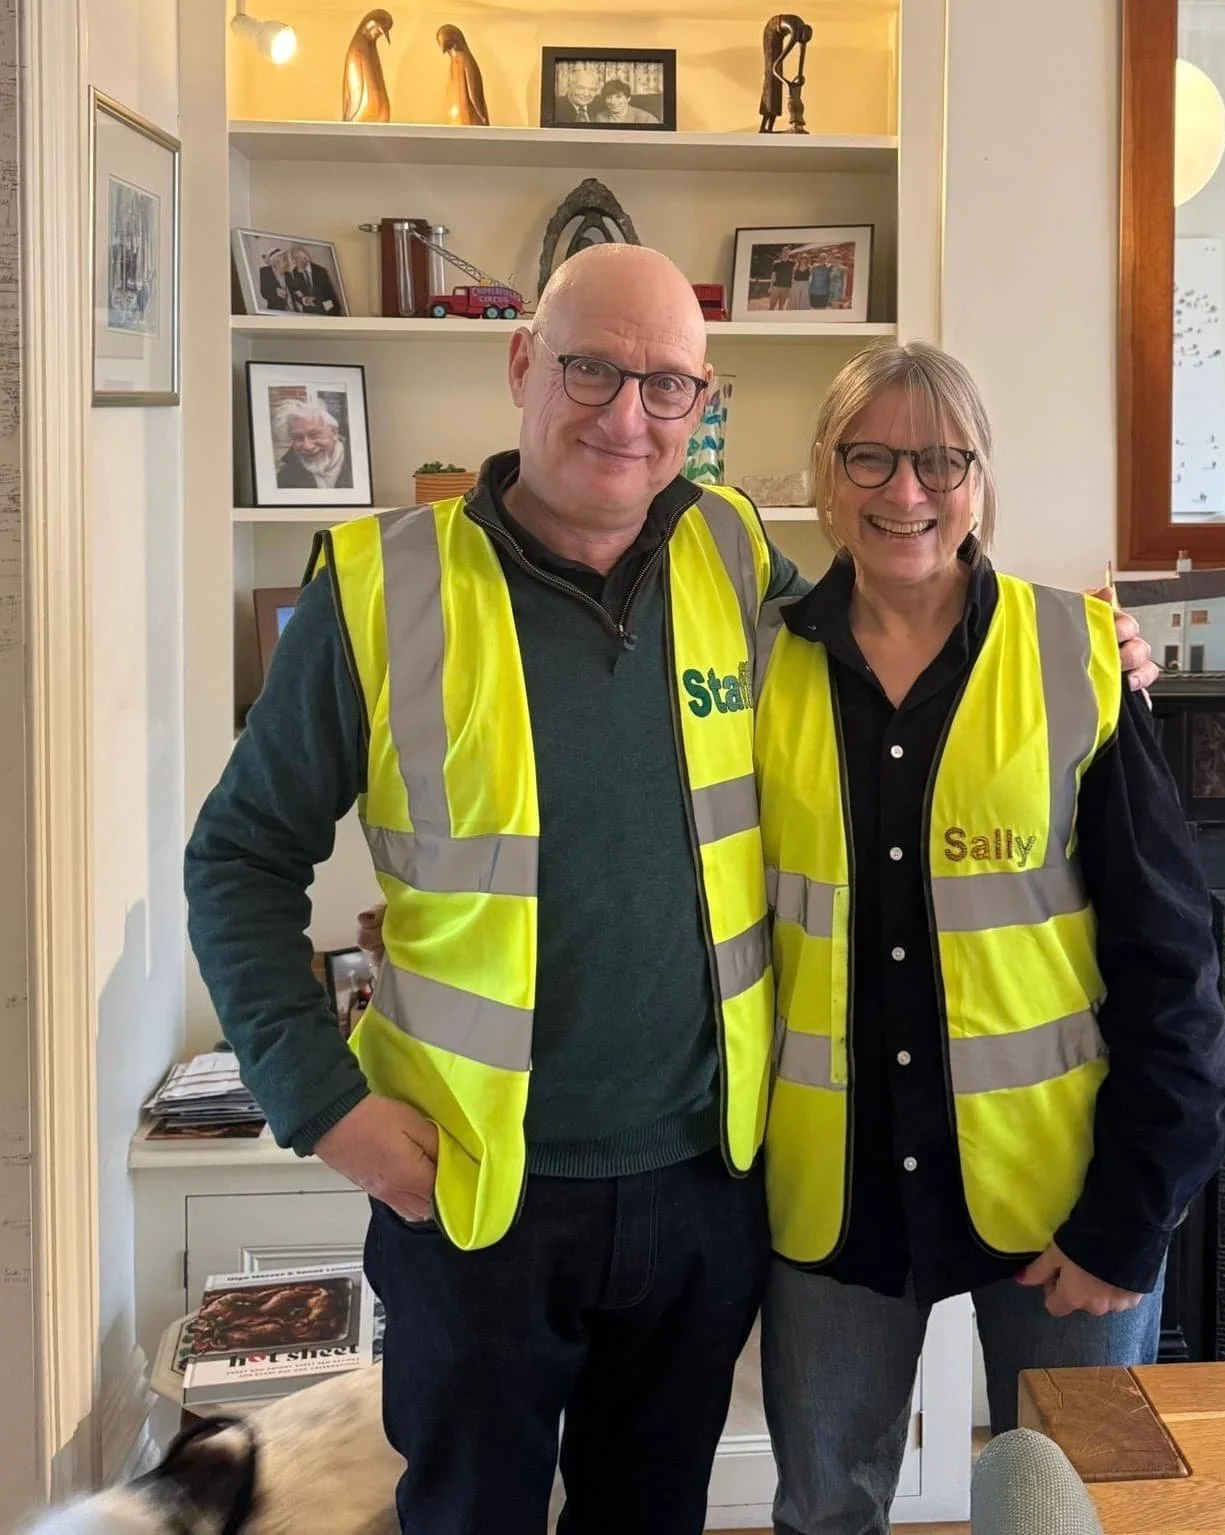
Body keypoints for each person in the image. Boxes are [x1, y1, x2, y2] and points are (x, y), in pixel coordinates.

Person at [186, 244, 1158, 1535]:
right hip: (480, 1198)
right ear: (522, 364)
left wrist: (1083, 641)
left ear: (702, 414)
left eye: (665, 386)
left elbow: (903, 607)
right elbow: (236, 859)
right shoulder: (379, 592)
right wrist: (323, 1102)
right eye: (590, 368)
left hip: (701, 1192)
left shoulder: (729, 554)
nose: (623, 413)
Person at [750, 342, 1225, 1535]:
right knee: (822, 1513)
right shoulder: (755, 662)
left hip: (1065, 1196)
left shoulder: (1077, 654)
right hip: (831, 1199)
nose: (905, 492)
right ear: (825, 468)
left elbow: (1169, 963)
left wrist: (1130, 1219)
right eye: (871, 454)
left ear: (980, 477)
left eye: (940, 459)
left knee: (1082, 1510)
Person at [272, 398, 353, 490]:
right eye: (298, 438)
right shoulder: (286, 476)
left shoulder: (360, 463)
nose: (307, 446)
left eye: (314, 435)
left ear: (334, 433)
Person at [284, 245, 342, 315]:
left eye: (296, 258)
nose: (294, 262)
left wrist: (331, 310)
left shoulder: (321, 271)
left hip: (325, 311)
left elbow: (330, 294)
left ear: (304, 258)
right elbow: (294, 293)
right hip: (308, 315)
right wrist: (304, 300)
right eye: (293, 259)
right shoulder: (294, 273)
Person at [594, 78, 660, 124]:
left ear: (628, 98)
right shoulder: (600, 117)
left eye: (618, 97)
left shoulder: (647, 119)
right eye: (609, 97)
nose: (613, 102)